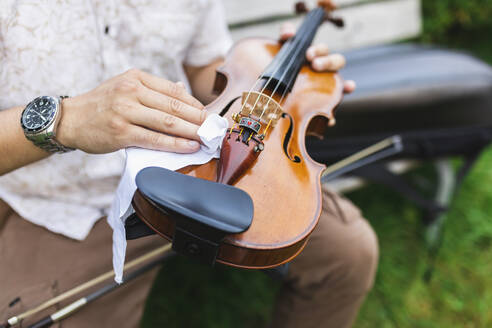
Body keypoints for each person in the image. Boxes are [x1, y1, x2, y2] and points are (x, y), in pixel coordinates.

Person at [0, 1, 378, 327]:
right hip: (60, 200)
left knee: (350, 253)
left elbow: (204, 69)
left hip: (197, 163)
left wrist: (284, 79)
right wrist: (66, 122)